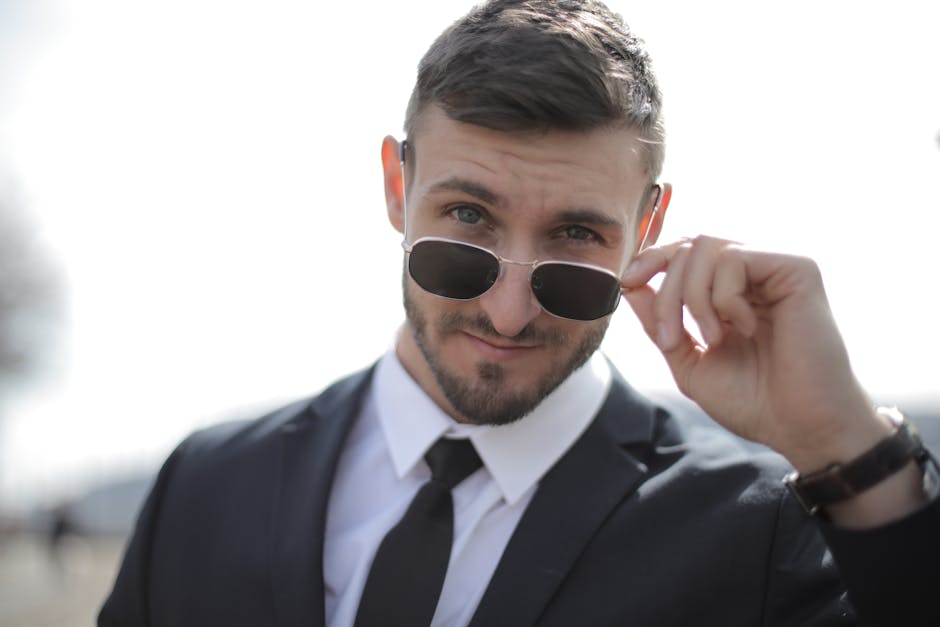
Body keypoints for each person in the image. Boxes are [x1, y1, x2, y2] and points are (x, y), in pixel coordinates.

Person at [99, 1, 939, 625]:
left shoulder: (753, 531)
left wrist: (847, 446)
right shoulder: (204, 489)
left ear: (645, 228)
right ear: (399, 189)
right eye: (467, 221)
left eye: (575, 236)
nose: (506, 312)